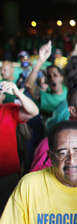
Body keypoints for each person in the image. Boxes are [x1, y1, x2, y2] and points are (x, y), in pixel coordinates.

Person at [0, 81, 39, 211]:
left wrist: (17, 93)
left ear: (3, 96)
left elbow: (34, 111)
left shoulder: (7, 109)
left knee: (8, 216)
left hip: (8, 175)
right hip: (8, 175)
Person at [25, 41, 68, 116]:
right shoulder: (44, 97)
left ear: (62, 78)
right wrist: (40, 60)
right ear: (46, 81)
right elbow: (29, 85)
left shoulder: (68, 90)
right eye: (48, 76)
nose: (52, 78)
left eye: (55, 75)